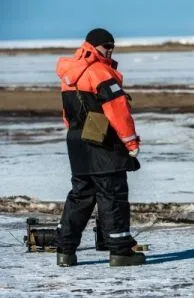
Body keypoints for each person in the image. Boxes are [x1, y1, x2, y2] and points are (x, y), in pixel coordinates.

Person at [55, 28, 145, 267]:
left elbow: (67, 114)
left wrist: (79, 131)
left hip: (77, 141)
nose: (110, 50)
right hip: (103, 143)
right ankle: (120, 252)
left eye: (112, 46)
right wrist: (131, 142)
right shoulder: (101, 72)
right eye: (106, 46)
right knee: (112, 196)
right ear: (92, 46)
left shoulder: (69, 74)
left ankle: (65, 251)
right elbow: (118, 111)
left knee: (80, 197)